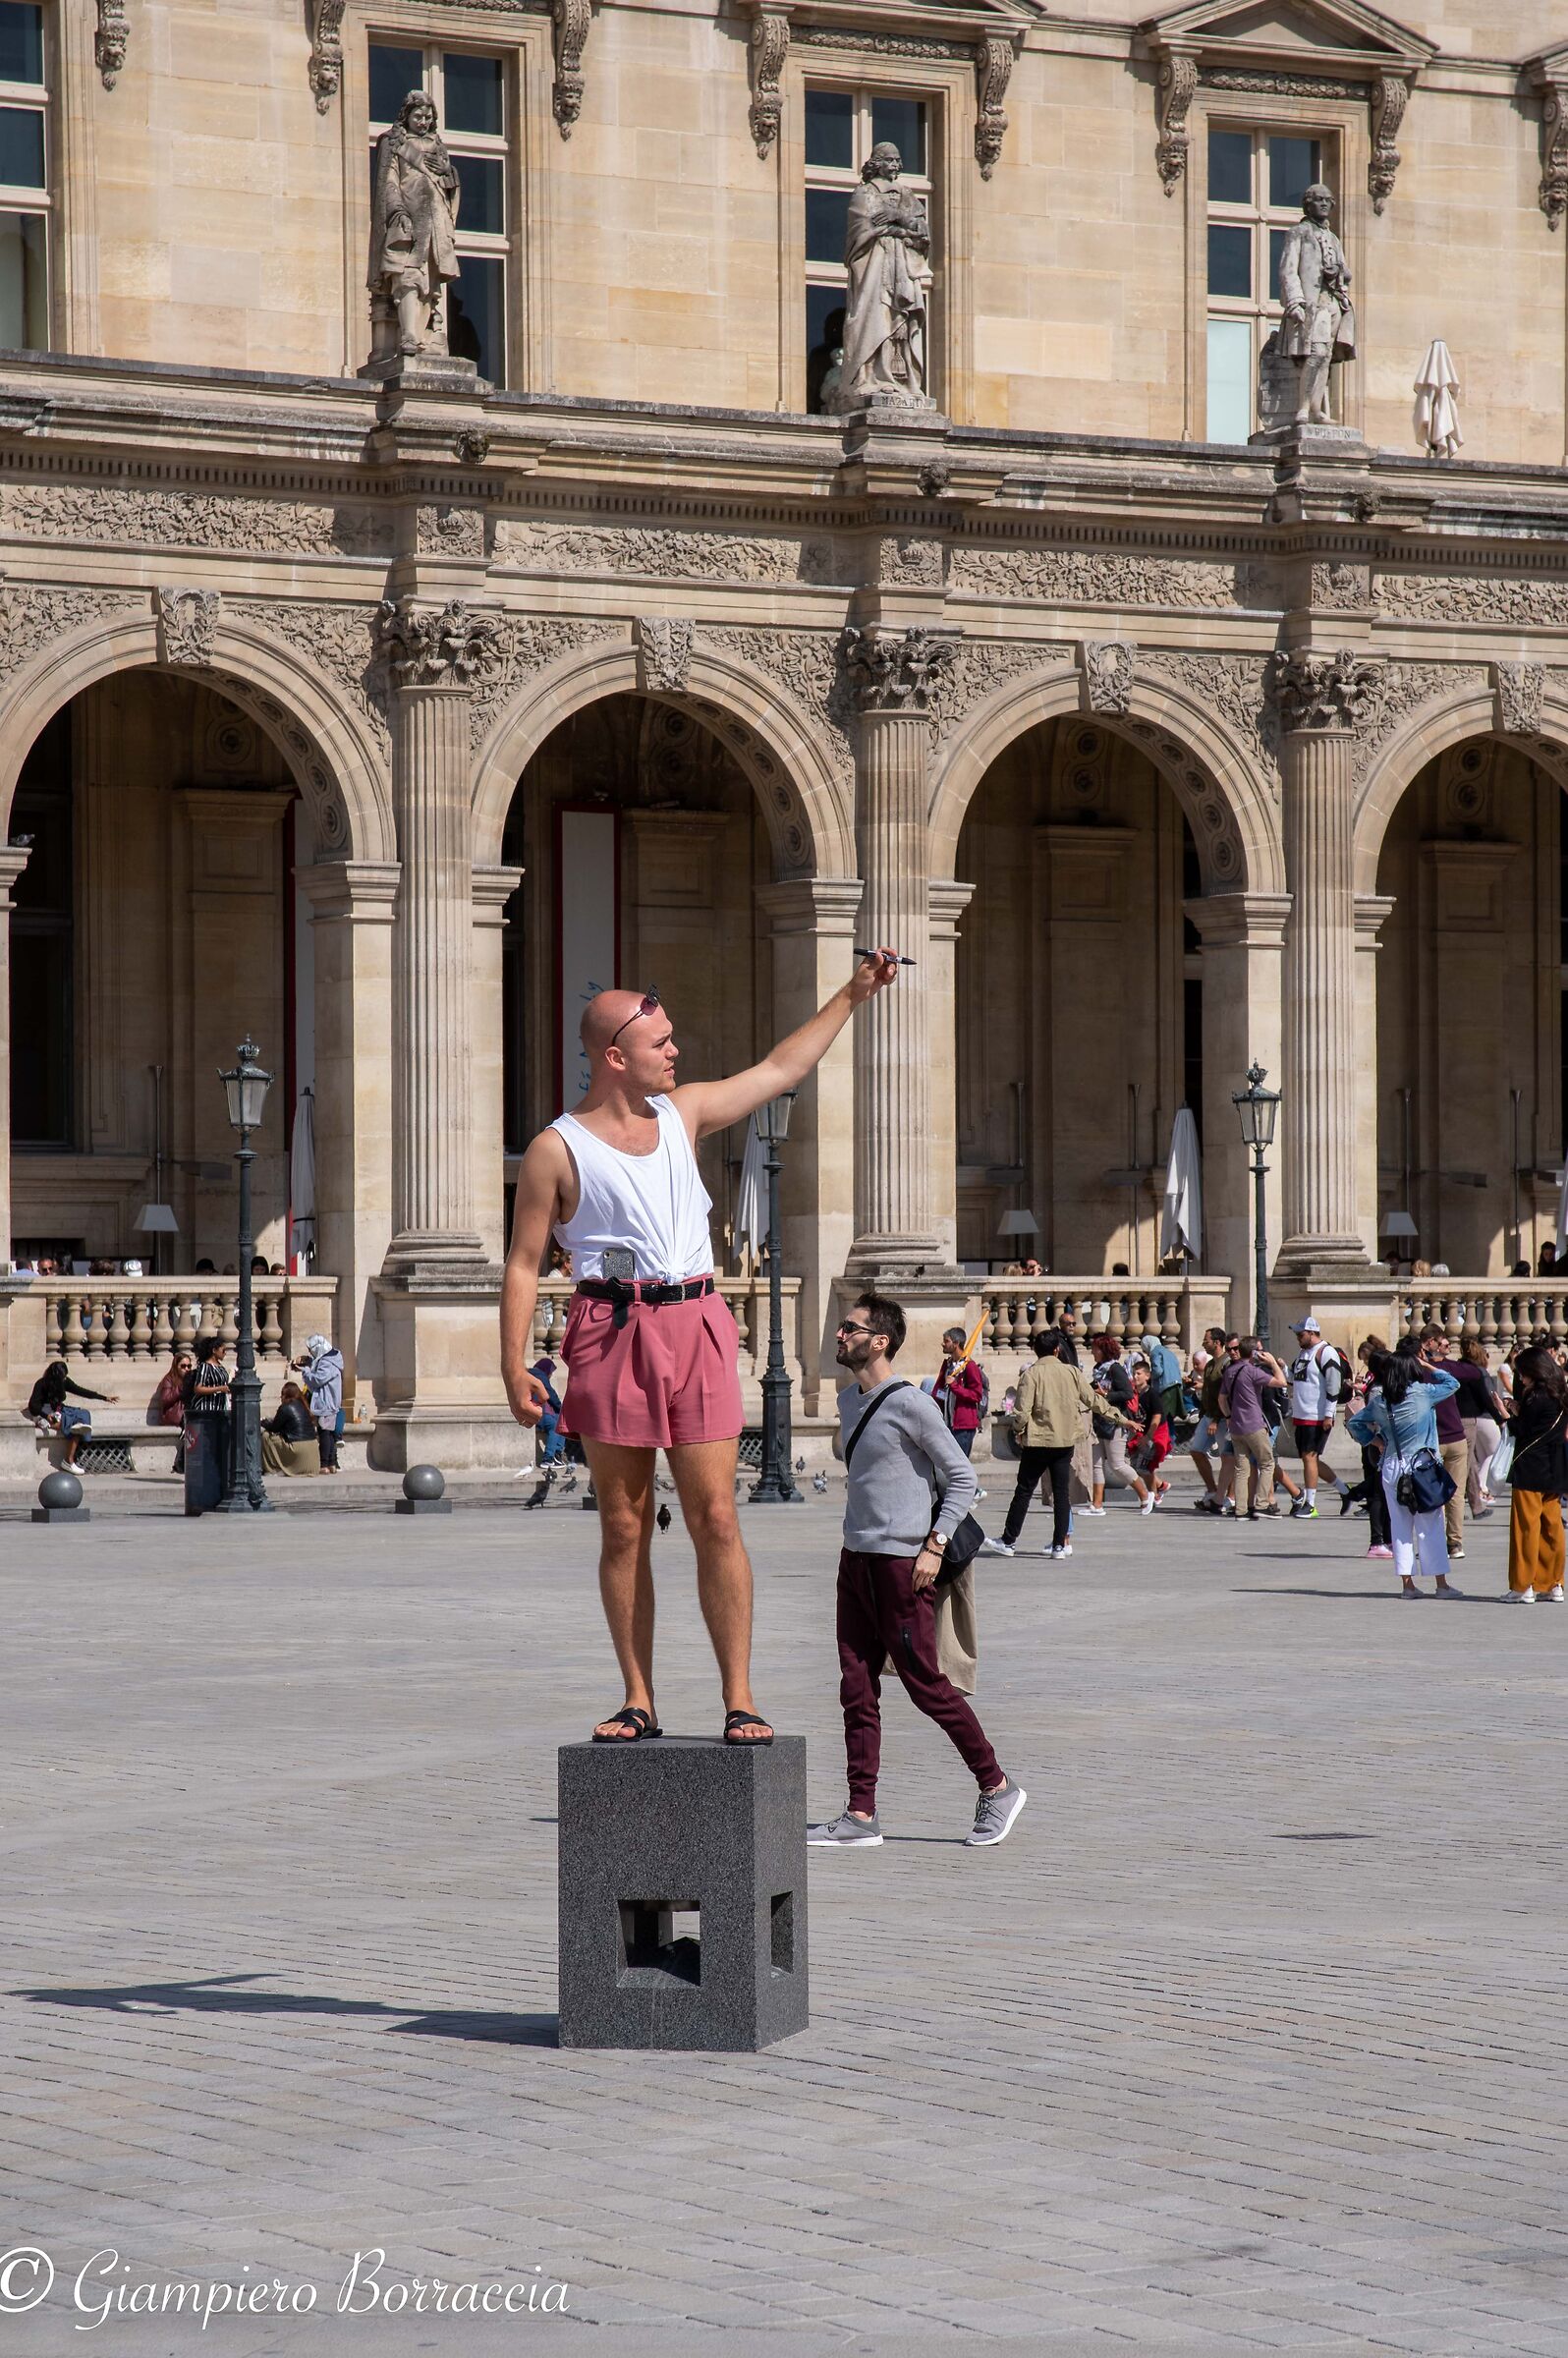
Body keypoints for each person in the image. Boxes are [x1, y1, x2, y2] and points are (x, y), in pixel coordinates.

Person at [500, 954, 900, 1747]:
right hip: (611, 1330)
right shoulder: (558, 1148)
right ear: (616, 1056)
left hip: (697, 1321)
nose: (676, 1052)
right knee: (624, 1523)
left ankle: (739, 1696)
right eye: (662, 1042)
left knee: (718, 1514)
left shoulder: (683, 1114)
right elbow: (520, 1263)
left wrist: (851, 996)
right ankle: (638, 1698)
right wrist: (512, 1365)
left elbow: (783, 1066)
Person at [808, 1292, 1025, 1849]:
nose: (839, 1335)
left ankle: (996, 1786)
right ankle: (860, 1815)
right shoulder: (852, 1402)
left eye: (849, 1328)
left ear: (879, 1340)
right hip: (855, 1557)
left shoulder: (911, 1403)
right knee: (855, 1687)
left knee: (925, 1684)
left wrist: (935, 1545)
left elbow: (961, 1479)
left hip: (904, 1564)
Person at [985, 1328, 1117, 1560]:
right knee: (1061, 1493)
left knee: (1024, 1491)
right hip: (1064, 1441)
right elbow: (1093, 1400)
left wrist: (1018, 1431)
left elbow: (1022, 1411)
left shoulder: (1031, 1374)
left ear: (1035, 1350)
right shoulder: (1072, 1372)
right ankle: (1059, 1544)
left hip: (1037, 1442)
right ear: (1057, 1349)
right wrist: (1121, 1418)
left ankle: (1009, 1540)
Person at [1348, 1349, 1462, 1597]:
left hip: (1392, 1464)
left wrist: (1375, 1440)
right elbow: (1453, 1383)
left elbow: (1354, 1422)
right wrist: (1431, 1367)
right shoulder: (1422, 1393)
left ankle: (1407, 1585)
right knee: (1430, 1525)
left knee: (1400, 1526)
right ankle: (1441, 1584)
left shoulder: (1380, 1399)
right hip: (1422, 1465)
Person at [1504, 1344, 1568, 1602]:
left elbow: (1523, 1429)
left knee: (1525, 1528)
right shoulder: (1560, 1393)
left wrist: (1507, 1413)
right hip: (1554, 1465)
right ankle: (1554, 1582)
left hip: (1530, 1465)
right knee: (1552, 1527)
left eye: (1522, 1372)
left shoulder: (1534, 1396)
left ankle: (1523, 1585)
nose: (1520, 1377)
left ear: (1534, 1371)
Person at [1083, 1332, 1154, 1515]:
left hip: (1116, 1422)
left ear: (1103, 1349)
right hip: (1099, 1422)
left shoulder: (1115, 1369)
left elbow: (1127, 1393)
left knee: (1117, 1464)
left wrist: (1106, 1395)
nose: (1092, 1352)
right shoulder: (1099, 1370)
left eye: (1095, 1349)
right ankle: (1097, 1505)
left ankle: (1145, 1496)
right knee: (1096, 1464)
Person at [1285, 1316, 1349, 1518]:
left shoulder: (1326, 1352)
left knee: (1309, 1457)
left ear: (1312, 1333)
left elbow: (1333, 1385)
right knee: (1310, 1459)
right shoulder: (1304, 1353)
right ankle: (1346, 1491)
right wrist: (1278, 1367)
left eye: (1300, 1334)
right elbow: (1293, 1379)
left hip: (1317, 1415)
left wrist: (1329, 1414)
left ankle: (1310, 1504)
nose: (1297, 1337)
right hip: (1302, 1414)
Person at [1219, 1337, 1290, 1518]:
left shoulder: (1230, 1371)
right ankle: (1261, 1504)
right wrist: (1273, 1363)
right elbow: (1282, 1382)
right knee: (1267, 1463)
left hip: (1235, 1426)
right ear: (1253, 1354)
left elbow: (1221, 1399)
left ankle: (1241, 1510)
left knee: (1241, 1469)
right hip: (1254, 1425)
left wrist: (1228, 1416)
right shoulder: (1251, 1371)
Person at [1417, 1325, 1470, 1559]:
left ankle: (1434, 1542)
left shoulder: (1419, 1375)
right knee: (1456, 1495)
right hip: (1457, 1437)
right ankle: (1455, 1544)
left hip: (1434, 1441)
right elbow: (1476, 1372)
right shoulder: (1448, 1371)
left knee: (1432, 1494)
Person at [1341, 1337, 1394, 1559]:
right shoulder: (1378, 1391)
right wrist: (1374, 1440)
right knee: (1379, 1495)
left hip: (1385, 1447)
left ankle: (1387, 1539)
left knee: (1384, 1492)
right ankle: (1377, 1541)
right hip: (1380, 1447)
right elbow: (1360, 1422)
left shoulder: (1384, 1388)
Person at [27, 1359, 115, 1468]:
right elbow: (33, 1405)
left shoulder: (64, 1382)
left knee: (83, 1414)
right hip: (43, 1413)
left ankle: (70, 1454)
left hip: (57, 1411)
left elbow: (81, 1391)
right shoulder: (41, 1384)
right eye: (62, 1377)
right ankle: (69, 1460)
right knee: (71, 1427)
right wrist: (46, 1415)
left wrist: (104, 1398)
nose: (64, 1379)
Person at [1454, 1333, 1504, 1516]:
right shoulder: (1475, 1372)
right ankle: (1456, 1509)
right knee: (1464, 1466)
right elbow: (1487, 1398)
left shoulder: (1457, 1369)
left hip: (1458, 1418)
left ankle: (1476, 1506)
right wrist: (1500, 1418)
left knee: (1471, 1465)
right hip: (1469, 1420)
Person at [1190, 1328, 1238, 1517]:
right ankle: (1212, 1491)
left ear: (1217, 1342)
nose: (1203, 1343)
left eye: (1206, 1340)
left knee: (1228, 1457)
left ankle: (1231, 1496)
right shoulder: (1210, 1365)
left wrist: (1217, 1419)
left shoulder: (1226, 1363)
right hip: (1208, 1415)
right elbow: (1210, 1390)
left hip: (1221, 1418)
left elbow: (1224, 1394)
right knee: (1196, 1450)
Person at [932, 1327, 986, 1458]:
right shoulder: (948, 1364)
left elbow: (976, 1395)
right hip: (947, 1423)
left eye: (946, 1341)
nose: (943, 1344)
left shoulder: (970, 1366)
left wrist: (955, 1387)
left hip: (963, 1426)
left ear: (956, 1343)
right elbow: (938, 1390)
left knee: (960, 1466)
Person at [295, 1334, 345, 1473]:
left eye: (311, 1349)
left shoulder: (327, 1362)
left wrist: (305, 1371)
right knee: (329, 1433)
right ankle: (332, 1464)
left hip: (326, 1402)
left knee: (325, 1434)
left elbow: (317, 1379)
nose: (310, 1352)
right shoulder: (331, 1359)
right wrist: (309, 1363)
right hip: (330, 1401)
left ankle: (324, 1465)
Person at [261, 1382, 320, 1477]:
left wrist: (263, 1422)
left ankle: (272, 1468)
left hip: (298, 1449)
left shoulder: (285, 1407)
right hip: (312, 1452)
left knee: (266, 1436)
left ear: (285, 1395)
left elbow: (274, 1428)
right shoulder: (305, 1406)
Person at [146, 1352, 193, 1428]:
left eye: (189, 1366)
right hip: (175, 1420)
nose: (187, 1369)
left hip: (190, 1420)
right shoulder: (169, 1379)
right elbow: (165, 1400)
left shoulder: (192, 1379)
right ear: (176, 1366)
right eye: (183, 1366)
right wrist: (180, 1388)